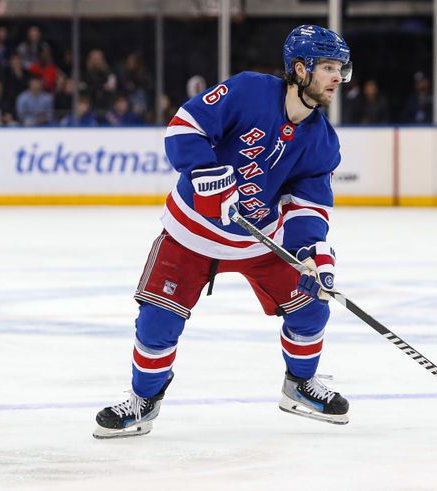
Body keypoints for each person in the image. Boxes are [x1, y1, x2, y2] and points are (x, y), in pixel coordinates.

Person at [94, 24, 353, 439]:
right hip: (192, 231)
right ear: (300, 70)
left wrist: (310, 252)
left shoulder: (323, 142)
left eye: (340, 68)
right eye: (327, 67)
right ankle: (143, 399)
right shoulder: (250, 91)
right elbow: (184, 126)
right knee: (158, 321)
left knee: (310, 305)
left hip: (258, 238)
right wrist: (207, 174)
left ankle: (300, 386)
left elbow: (310, 204)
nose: (337, 77)